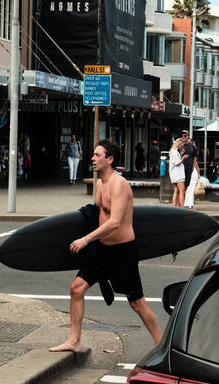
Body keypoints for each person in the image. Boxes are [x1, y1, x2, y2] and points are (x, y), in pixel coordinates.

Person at [52, 139, 163, 353]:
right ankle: (74, 341)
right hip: (102, 250)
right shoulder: (100, 184)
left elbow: (115, 222)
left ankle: (162, 349)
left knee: (137, 303)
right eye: (93, 155)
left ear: (109, 159)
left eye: (98, 155)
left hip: (123, 252)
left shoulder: (119, 184)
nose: (93, 158)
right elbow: (97, 215)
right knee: (76, 288)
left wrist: (85, 240)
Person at [181, 134, 201, 209]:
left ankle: (187, 204)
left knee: (187, 188)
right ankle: (189, 205)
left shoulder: (187, 148)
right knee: (190, 188)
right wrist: (198, 171)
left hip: (188, 170)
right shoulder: (191, 149)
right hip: (192, 170)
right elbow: (194, 162)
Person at [168, 135, 186, 206]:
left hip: (175, 174)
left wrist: (181, 154)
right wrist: (183, 158)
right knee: (182, 191)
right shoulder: (175, 152)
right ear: (179, 144)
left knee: (176, 191)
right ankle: (182, 207)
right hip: (178, 175)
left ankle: (175, 206)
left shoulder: (174, 152)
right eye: (182, 145)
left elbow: (176, 161)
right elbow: (177, 163)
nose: (182, 146)